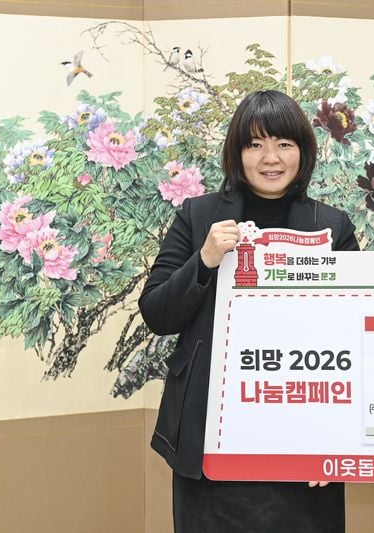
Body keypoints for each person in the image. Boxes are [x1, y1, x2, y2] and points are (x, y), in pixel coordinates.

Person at [139, 90, 359, 533]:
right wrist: (204, 259)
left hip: (304, 434)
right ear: (237, 154)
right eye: (255, 144)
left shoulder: (331, 226)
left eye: (284, 144)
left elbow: (356, 335)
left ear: (303, 151)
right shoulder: (198, 216)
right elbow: (157, 314)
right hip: (211, 435)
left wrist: (337, 439)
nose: (270, 158)